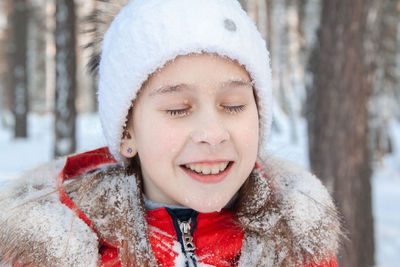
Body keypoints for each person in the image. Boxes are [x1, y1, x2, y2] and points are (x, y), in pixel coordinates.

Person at [0, 0, 342, 266]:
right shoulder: (52, 252)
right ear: (126, 133)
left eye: (234, 105)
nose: (212, 133)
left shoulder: (297, 245)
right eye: (178, 109)